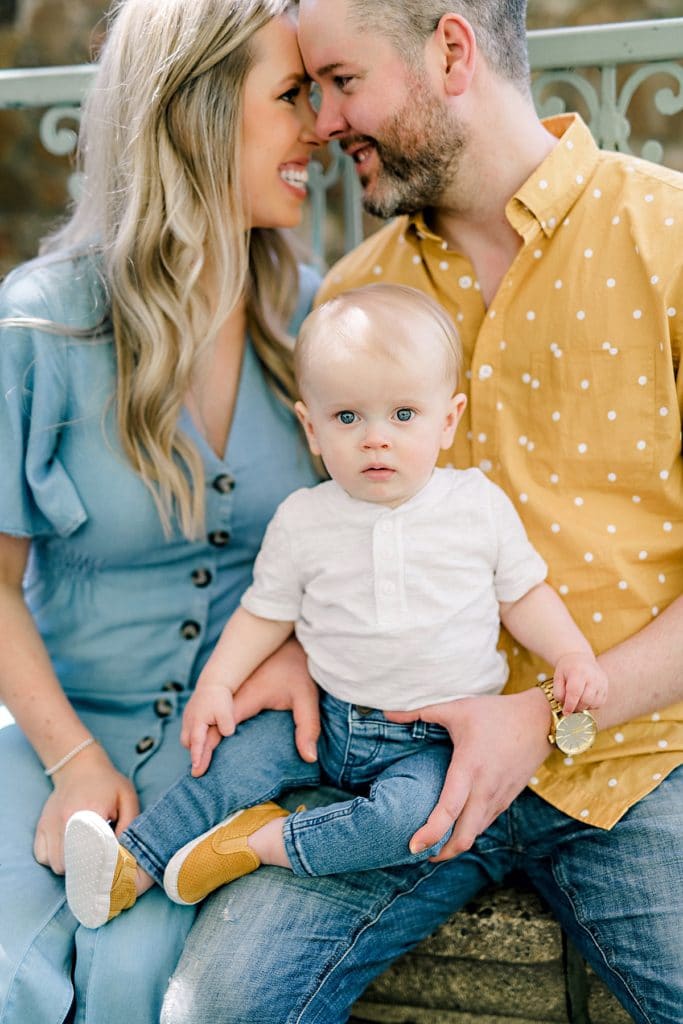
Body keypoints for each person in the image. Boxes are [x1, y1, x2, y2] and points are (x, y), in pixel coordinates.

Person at [157, 3, 683, 1024]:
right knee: (210, 1005)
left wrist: (542, 717)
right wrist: (300, 648)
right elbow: (340, 536)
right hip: (392, 769)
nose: (319, 123)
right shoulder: (353, 299)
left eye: (340, 82)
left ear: (450, 49)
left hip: (629, 761)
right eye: (307, 94)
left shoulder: (666, 240)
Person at [63, 282, 609, 926]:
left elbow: (524, 596)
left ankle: (262, 843)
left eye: (403, 415)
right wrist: (217, 681)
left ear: (449, 419)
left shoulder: (475, 506)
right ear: (312, 427)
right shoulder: (305, 519)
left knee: (419, 824)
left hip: (433, 741)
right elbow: (266, 613)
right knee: (227, 761)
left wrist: (571, 652)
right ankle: (132, 865)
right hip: (323, 718)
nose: (376, 439)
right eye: (348, 418)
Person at [0, 0, 326, 1019]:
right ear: (197, 114)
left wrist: (305, 652)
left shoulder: (318, 326)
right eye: (288, 97)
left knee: (141, 983)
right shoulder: (40, 327)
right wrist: (70, 760)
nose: (316, 126)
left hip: (222, 783)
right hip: (59, 736)